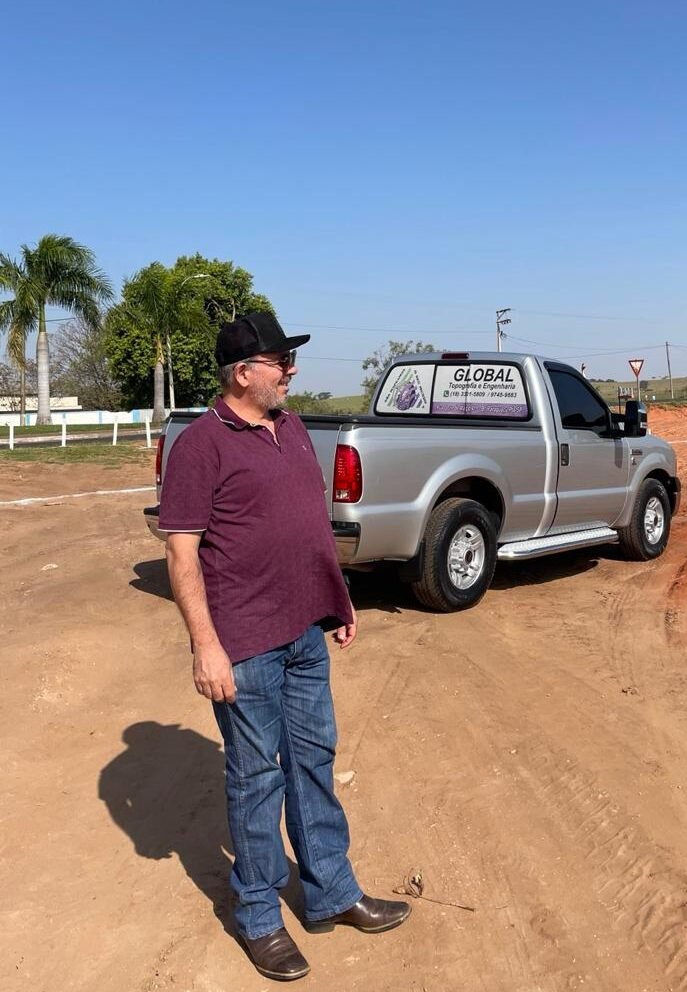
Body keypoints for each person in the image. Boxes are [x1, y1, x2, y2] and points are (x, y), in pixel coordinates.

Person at [159, 312, 410, 982]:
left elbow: (309, 526)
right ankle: (261, 918)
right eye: (280, 362)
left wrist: (337, 599)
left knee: (313, 763)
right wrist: (204, 646)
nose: (292, 371)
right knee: (255, 780)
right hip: (243, 643)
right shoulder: (201, 446)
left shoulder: (292, 429)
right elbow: (182, 553)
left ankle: (332, 890)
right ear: (243, 372)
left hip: (304, 632)